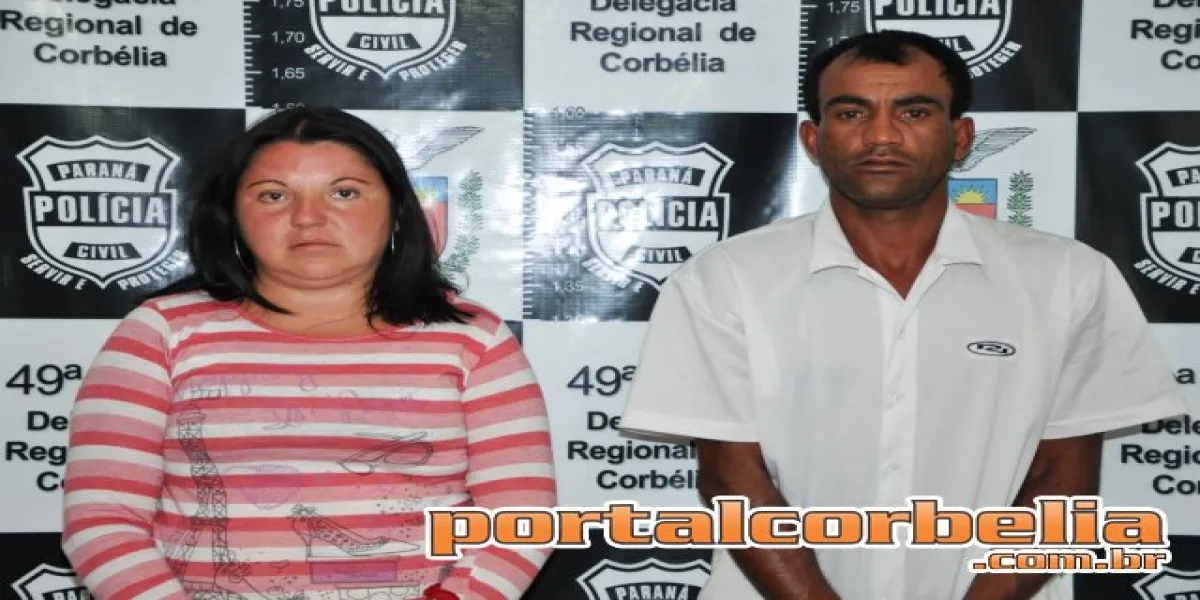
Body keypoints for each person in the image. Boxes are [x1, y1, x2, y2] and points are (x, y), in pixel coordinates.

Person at [617, 30, 1189, 600]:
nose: (882, 136)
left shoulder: (1067, 276)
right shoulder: (726, 277)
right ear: (814, 139)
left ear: (960, 137)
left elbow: (1061, 479)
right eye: (851, 113)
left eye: (914, 112)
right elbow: (731, 477)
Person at [60, 106, 557, 600]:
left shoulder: (473, 339)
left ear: (397, 210)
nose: (308, 218)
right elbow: (104, 519)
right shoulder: (160, 332)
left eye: (345, 193)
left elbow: (522, 515)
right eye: (273, 195)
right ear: (233, 215)